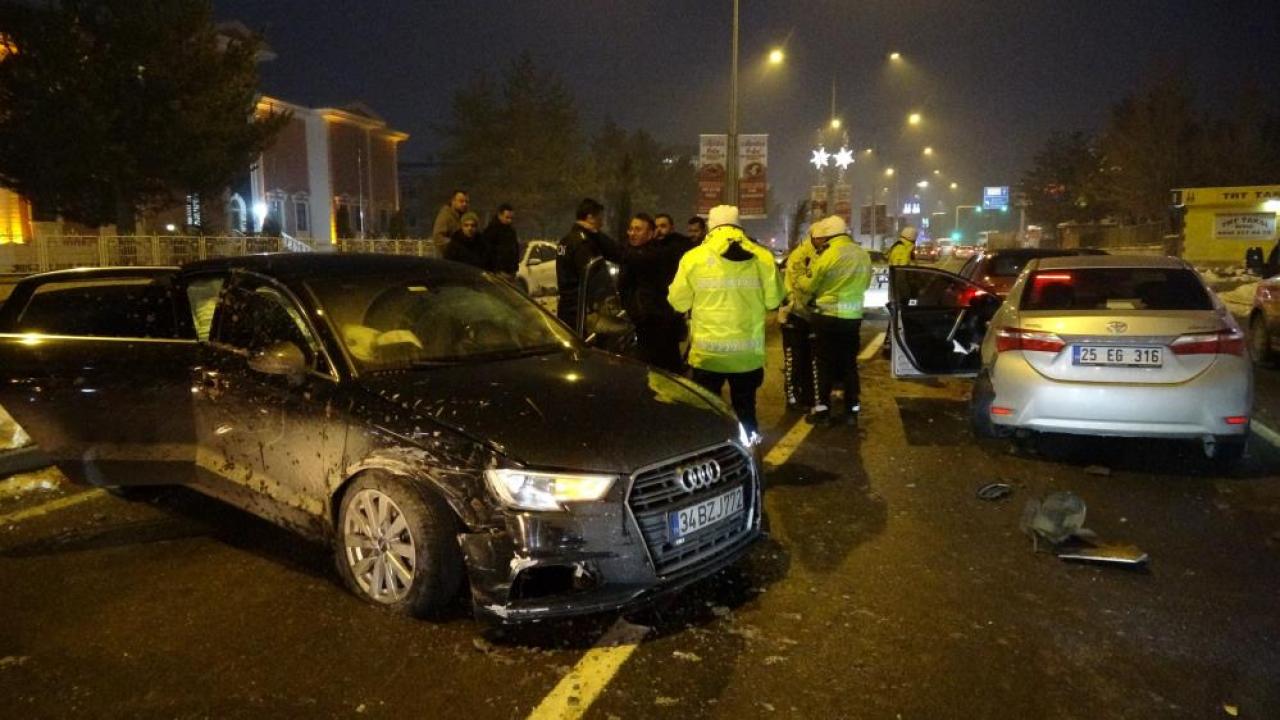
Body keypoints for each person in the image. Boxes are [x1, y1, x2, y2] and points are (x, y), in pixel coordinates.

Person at [668, 205, 783, 441]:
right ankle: (750, 454)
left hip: (708, 354)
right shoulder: (762, 256)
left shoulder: (694, 257)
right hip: (747, 355)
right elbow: (774, 300)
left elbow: (677, 301)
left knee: (708, 412)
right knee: (746, 409)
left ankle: (713, 456)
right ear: (738, 225)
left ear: (711, 226)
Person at [795, 215, 872, 425]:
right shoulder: (862, 254)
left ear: (828, 235)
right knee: (849, 365)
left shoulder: (828, 255)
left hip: (827, 318)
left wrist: (800, 277)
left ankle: (823, 411)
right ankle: (852, 411)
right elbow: (866, 284)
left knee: (824, 365)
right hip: (852, 318)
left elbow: (809, 285)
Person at [618, 213, 686, 373]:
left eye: (638, 229)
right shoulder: (635, 252)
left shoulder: (653, 255)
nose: (632, 233)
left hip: (656, 325)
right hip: (645, 324)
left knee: (657, 372)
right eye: (631, 229)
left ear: (650, 234)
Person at [556, 198, 619, 326]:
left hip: (566, 307)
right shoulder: (584, 243)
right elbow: (594, 279)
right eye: (600, 219)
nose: (601, 224)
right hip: (581, 311)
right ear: (590, 218)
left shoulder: (566, 240)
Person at [780, 229, 822, 411]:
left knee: (807, 359)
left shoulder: (819, 253)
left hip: (808, 313)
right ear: (815, 237)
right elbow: (798, 287)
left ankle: (806, 396)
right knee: (794, 360)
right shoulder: (800, 255)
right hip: (795, 313)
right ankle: (792, 398)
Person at [482, 203, 520, 280]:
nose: (509, 220)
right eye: (507, 217)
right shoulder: (491, 231)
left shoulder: (511, 231)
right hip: (497, 273)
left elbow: (515, 250)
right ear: (500, 215)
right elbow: (487, 252)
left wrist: (515, 268)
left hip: (510, 272)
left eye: (511, 218)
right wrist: (495, 270)